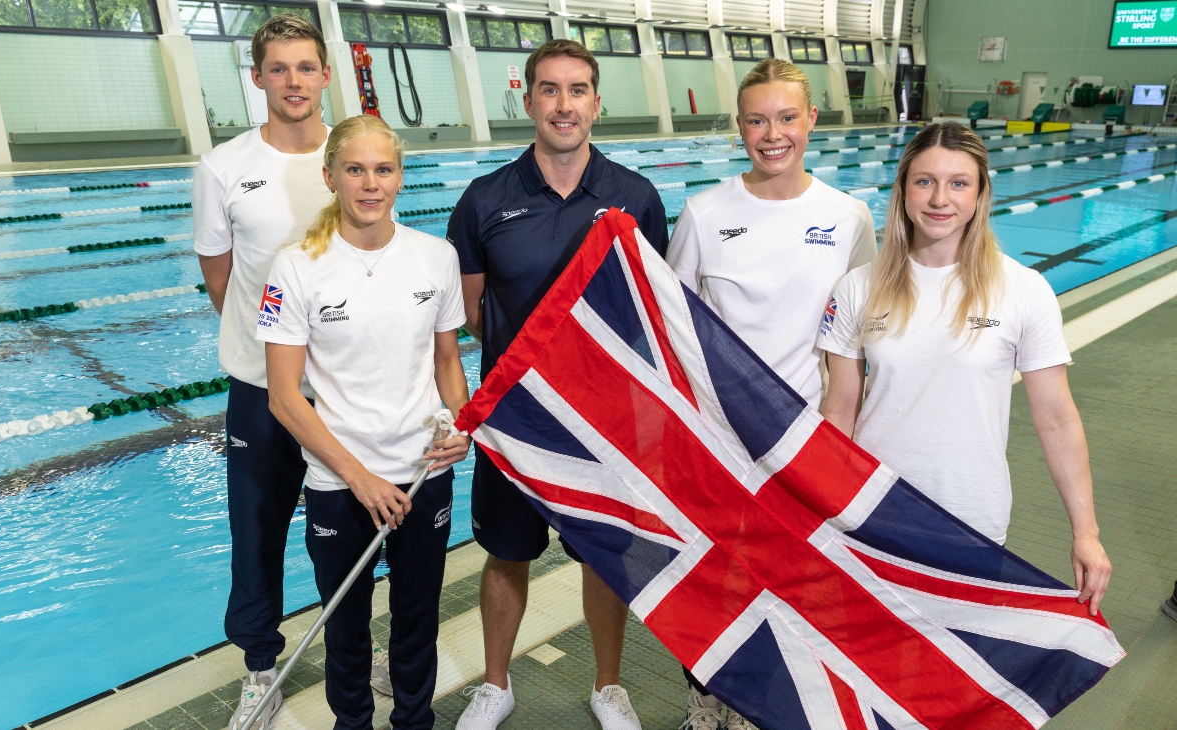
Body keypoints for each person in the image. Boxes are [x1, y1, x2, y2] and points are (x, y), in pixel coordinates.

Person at [448, 39, 669, 730]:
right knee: (505, 552)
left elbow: (651, 312)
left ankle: (608, 685)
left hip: (603, 421)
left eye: (577, 91)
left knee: (603, 556)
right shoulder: (485, 200)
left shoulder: (635, 197)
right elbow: (471, 312)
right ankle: (496, 685)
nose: (563, 105)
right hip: (515, 420)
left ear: (596, 103)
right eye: (550, 89)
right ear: (529, 101)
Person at [817, 121, 1112, 616]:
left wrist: (1087, 533)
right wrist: (820, 502)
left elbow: (1057, 419)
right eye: (925, 181)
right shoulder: (858, 287)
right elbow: (840, 408)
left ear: (980, 194)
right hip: (872, 509)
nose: (940, 199)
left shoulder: (1023, 290)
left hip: (972, 515)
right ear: (903, 189)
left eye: (959, 183)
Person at [664, 58, 877, 730]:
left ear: (811, 119)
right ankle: (706, 700)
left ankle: (767, 708)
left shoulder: (848, 216)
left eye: (787, 117)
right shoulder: (705, 213)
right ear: (740, 127)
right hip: (718, 441)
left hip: (807, 440)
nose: (773, 133)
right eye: (757, 121)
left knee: (794, 585)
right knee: (714, 584)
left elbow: (862, 337)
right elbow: (671, 326)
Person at [192, 15, 391, 730]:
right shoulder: (223, 167)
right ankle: (259, 668)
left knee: (354, 529)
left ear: (326, 75)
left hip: (345, 392)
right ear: (258, 77)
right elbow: (221, 279)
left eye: (306, 67)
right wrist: (274, 352)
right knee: (257, 532)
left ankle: (357, 650)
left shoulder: (354, 156)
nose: (293, 82)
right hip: (260, 388)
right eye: (278, 68)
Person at [258, 115, 471, 730]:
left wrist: (461, 426)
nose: (370, 184)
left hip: (423, 472)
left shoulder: (436, 257)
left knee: (417, 619)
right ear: (330, 177)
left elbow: (447, 360)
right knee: (345, 627)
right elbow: (283, 398)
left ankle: (414, 721)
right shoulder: (295, 267)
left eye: (383, 170)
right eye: (355, 169)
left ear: (400, 177)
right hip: (339, 482)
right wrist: (359, 478)